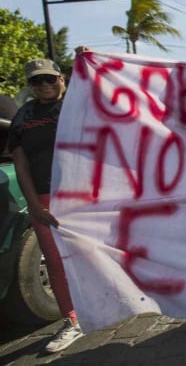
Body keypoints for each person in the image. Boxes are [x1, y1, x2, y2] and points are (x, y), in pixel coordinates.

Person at [8, 59, 84, 353]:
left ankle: (113, 305)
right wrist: (34, 205)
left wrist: (85, 62)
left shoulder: (79, 105)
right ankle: (72, 320)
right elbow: (21, 162)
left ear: (62, 80)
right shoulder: (23, 117)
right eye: (37, 82)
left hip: (83, 196)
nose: (45, 86)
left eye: (50, 79)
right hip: (44, 199)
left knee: (99, 254)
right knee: (55, 261)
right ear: (30, 86)